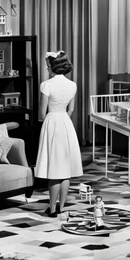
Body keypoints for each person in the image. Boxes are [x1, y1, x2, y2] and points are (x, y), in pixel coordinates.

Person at [35, 50, 83, 217]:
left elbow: (42, 114)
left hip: (52, 122)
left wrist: (50, 119)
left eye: (48, 66)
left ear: (52, 67)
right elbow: (71, 110)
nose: (47, 68)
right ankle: (61, 207)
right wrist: (62, 118)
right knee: (65, 167)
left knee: (54, 168)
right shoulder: (72, 85)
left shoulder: (46, 84)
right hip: (65, 123)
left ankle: (52, 208)